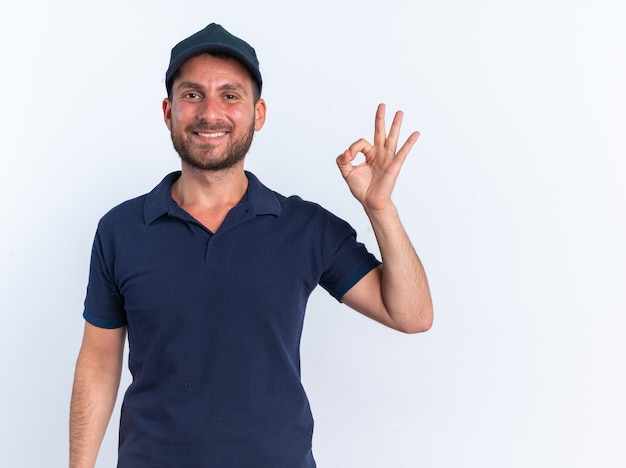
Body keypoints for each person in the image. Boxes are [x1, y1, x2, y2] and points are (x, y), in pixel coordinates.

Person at [69, 23, 433, 468]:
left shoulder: (305, 228)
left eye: (230, 95)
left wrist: (380, 208)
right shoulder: (121, 229)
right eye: (192, 95)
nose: (210, 112)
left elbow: (412, 315)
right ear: (168, 112)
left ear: (258, 114)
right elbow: (98, 364)